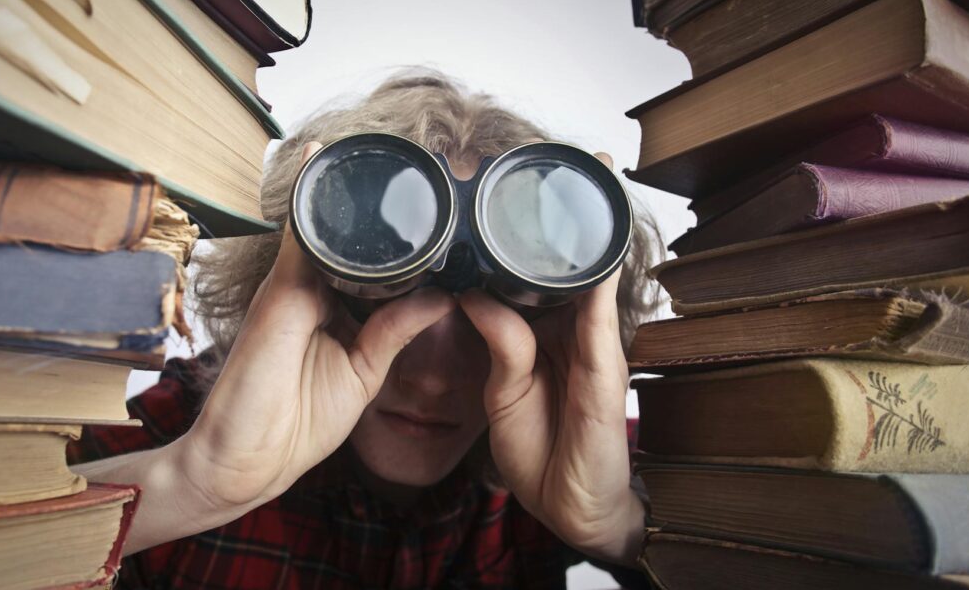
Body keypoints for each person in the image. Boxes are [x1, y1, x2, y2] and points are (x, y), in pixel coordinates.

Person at [69, 69, 662, 589]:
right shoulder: (169, 433)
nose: (431, 380)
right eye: (385, 297)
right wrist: (187, 484)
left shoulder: (585, 446)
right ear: (306, 290)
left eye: (483, 332)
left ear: (563, 329)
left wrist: (615, 526)